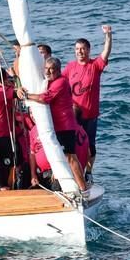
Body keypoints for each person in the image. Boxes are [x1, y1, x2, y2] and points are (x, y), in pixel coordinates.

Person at [19, 57, 87, 191]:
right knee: (70, 157)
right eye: (46, 69)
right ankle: (80, 185)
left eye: (52, 69)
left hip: (65, 127)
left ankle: (82, 188)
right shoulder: (49, 82)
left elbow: (45, 98)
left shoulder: (60, 82)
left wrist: (26, 96)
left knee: (70, 157)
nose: (49, 72)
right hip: (60, 126)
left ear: (58, 70)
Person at [62, 25, 112, 176]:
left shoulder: (95, 65)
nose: (80, 52)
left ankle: (88, 172)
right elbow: (59, 83)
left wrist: (108, 36)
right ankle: (74, 172)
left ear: (89, 50)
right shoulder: (70, 67)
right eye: (77, 49)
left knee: (90, 145)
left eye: (82, 48)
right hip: (73, 115)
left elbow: (106, 53)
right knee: (73, 145)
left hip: (90, 115)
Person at [0, 65, 18, 187]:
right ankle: (8, 187)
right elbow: (18, 93)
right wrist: (14, 77)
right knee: (10, 164)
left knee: (3, 163)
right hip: (3, 133)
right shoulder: (2, 92)